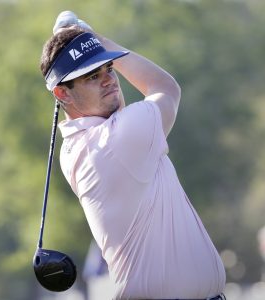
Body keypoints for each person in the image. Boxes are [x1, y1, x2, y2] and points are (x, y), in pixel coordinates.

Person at [39, 11, 226, 300]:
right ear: (62, 94)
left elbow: (118, 111)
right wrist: (98, 39)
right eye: (91, 76)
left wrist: (88, 44)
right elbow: (166, 88)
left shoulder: (78, 145)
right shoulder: (119, 140)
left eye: (109, 69)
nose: (109, 81)